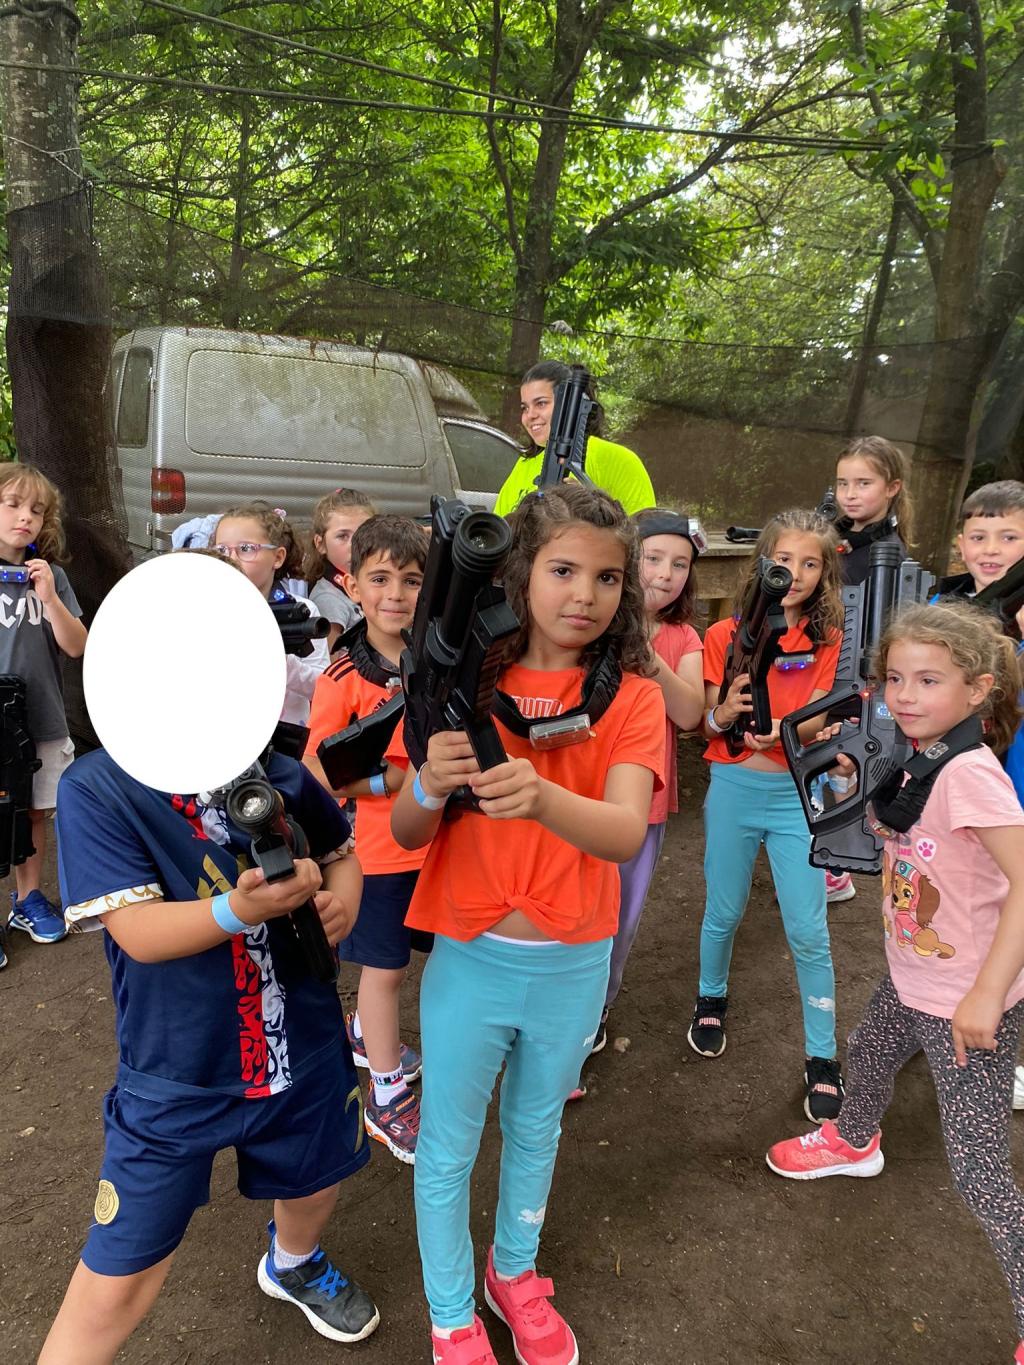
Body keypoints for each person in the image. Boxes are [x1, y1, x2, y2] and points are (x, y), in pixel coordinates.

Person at [391, 484, 665, 1365]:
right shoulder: (463, 685)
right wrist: (430, 780)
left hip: (573, 962)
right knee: (447, 1147)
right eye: (563, 569)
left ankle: (514, 1272)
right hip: (471, 958)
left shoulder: (633, 699)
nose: (586, 594)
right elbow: (407, 831)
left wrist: (543, 796)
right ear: (519, 574)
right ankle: (451, 1313)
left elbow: (625, 832)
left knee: (537, 1128)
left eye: (609, 577)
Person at [39, 702, 378, 1359]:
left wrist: (342, 904)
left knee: (315, 1180)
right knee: (116, 1281)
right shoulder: (99, 787)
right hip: (178, 1074)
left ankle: (295, 1262)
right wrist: (238, 908)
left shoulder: (276, 768)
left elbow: (342, 856)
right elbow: (138, 932)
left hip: (303, 1047)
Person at [765, 601, 1024, 1364]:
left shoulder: (969, 773)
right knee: (870, 1049)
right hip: (915, 975)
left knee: (979, 1169)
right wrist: (857, 781)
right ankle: (854, 1139)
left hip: (963, 999)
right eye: (896, 677)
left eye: (929, 680)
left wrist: (987, 994)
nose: (906, 694)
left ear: (977, 689)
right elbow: (900, 830)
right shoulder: (921, 754)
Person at [689, 508, 846, 1122]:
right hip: (733, 786)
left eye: (810, 563)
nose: (796, 573)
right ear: (764, 563)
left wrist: (783, 730)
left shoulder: (827, 640)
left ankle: (822, 1055)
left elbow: (818, 717)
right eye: (784, 560)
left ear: (825, 573)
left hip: (795, 795)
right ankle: (710, 998)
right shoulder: (722, 635)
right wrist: (726, 713)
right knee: (723, 910)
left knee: (808, 928)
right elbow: (708, 723)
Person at [304, 515, 430, 1164]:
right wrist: (388, 781)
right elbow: (314, 771)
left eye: (411, 579)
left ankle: (366, 1035)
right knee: (384, 972)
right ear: (352, 586)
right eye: (379, 578)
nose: (396, 594)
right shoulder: (342, 676)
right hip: (377, 856)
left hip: (436, 846)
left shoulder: (435, 663)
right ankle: (385, 1094)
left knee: (423, 961)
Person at [581, 507, 705, 1071]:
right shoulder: (590, 623)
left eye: (679, 564)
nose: (665, 574)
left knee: (622, 917)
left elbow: (691, 713)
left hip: (644, 807)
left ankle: (597, 1009)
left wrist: (646, 653)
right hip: (581, 797)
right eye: (653, 558)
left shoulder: (684, 638)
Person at [0, 463, 87, 966]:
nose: (25, 517)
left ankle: (28, 898)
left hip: (41, 718)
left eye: (36, 510)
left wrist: (50, 598)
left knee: (33, 811)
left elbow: (77, 645)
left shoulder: (51, 576)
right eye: (12, 504)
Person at [212, 503, 329, 726]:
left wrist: (279, 661)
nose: (232, 559)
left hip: (285, 737)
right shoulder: (207, 610)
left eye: (246, 548)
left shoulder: (301, 611)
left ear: (278, 557)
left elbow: (323, 687)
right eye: (221, 550)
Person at [493, 361, 655, 517]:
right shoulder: (524, 464)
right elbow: (499, 527)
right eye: (525, 408)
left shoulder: (618, 459)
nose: (530, 415)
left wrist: (594, 511)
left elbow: (644, 532)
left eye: (541, 403)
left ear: (569, 404)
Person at [833, 435, 912, 586]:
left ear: (891, 488)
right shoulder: (828, 538)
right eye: (843, 483)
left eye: (863, 483)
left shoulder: (889, 558)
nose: (849, 494)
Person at [304, 487, 377, 651]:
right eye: (343, 536)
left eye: (364, 534)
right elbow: (330, 661)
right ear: (320, 544)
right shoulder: (329, 599)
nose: (355, 545)